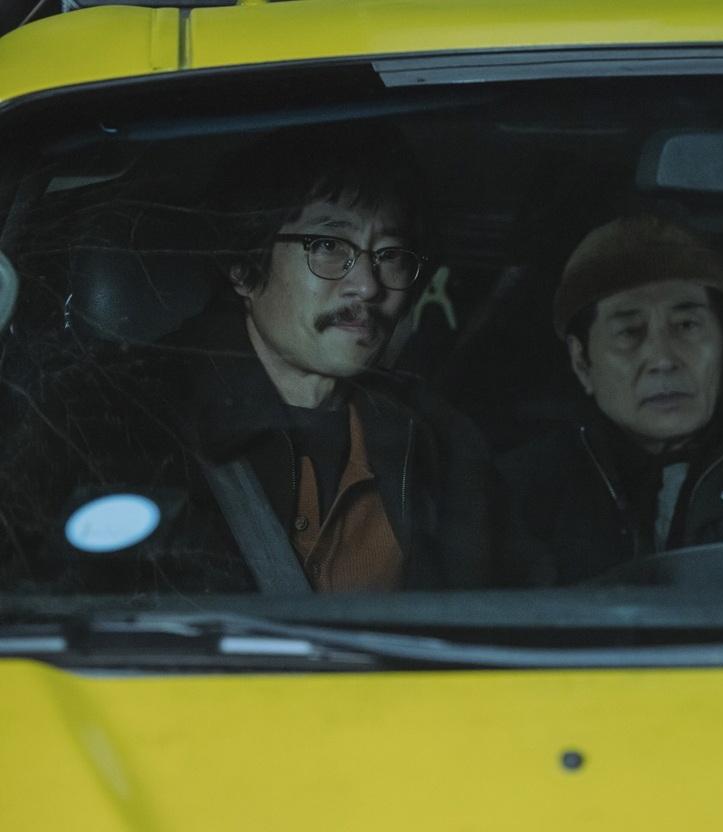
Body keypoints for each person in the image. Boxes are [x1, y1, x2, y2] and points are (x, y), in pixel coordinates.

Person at [1, 124, 502, 593]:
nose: (368, 286)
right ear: (243, 267)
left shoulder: (437, 440)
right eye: (328, 246)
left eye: (389, 255)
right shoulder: (112, 421)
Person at [498, 214, 723, 585]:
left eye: (686, 326)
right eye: (629, 332)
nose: (663, 359)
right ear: (582, 363)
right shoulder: (522, 489)